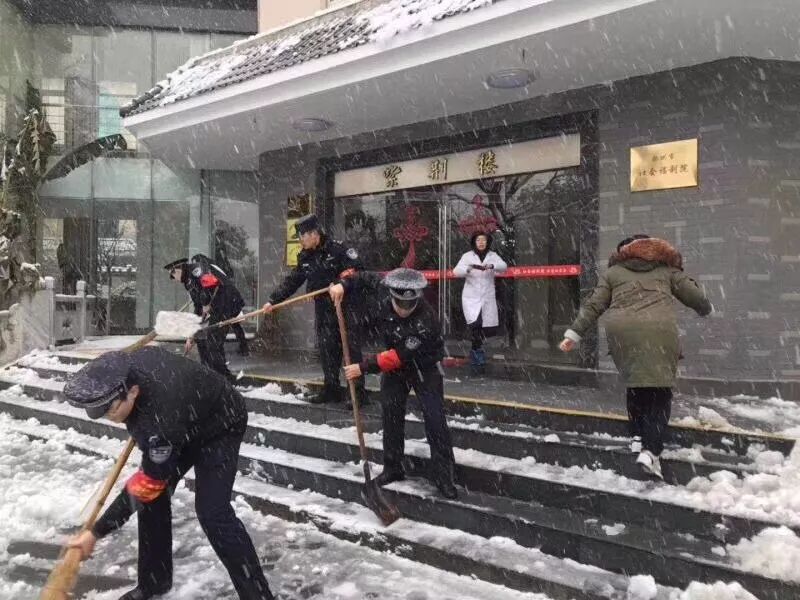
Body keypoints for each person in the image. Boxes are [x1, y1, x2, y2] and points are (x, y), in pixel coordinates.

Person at [64, 347, 274, 600]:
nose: (111, 418)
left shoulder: (160, 421)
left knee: (213, 513)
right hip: (184, 414)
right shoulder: (127, 369)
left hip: (220, 424)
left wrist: (96, 532)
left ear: (133, 391)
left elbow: (147, 483)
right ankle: (153, 583)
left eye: (112, 411)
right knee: (152, 499)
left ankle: (258, 596)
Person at [559, 235, 711, 479]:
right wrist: (706, 308)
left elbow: (594, 305)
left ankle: (638, 436)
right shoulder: (667, 270)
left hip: (622, 333)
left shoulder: (614, 273)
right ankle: (651, 451)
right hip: (658, 330)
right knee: (660, 392)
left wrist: (573, 334)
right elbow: (696, 297)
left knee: (637, 383)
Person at [331, 267, 458, 499]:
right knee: (390, 413)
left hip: (425, 367)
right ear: (392, 295)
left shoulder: (426, 320)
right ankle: (393, 467)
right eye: (400, 303)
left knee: (435, 419)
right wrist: (344, 285)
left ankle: (444, 476)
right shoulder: (383, 292)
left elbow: (398, 356)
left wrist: (362, 367)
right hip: (396, 371)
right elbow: (363, 277)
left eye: (410, 304)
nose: (404, 309)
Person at [262, 214, 366, 405]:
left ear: (314, 234)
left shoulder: (339, 249)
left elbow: (357, 271)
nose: (300, 241)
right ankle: (331, 390)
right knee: (327, 350)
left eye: (302, 236)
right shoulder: (305, 256)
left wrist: (341, 283)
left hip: (347, 308)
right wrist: (273, 300)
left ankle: (358, 393)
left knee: (350, 351)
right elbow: (293, 281)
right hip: (324, 310)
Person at [164, 257, 244, 381]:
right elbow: (198, 307)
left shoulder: (197, 269)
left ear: (178, 269)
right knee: (201, 339)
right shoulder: (188, 282)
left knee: (213, 341)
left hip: (227, 303)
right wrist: (192, 334)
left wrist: (206, 302)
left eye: (172, 275)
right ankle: (208, 373)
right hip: (217, 307)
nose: (173, 279)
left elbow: (210, 282)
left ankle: (223, 378)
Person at [453, 232, 507, 375]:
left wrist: (492, 265)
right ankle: (477, 353)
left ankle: (477, 350)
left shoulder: (492, 255)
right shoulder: (467, 256)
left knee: (485, 328)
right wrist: (468, 268)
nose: (481, 242)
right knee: (475, 325)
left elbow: (503, 266)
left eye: (484, 240)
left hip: (487, 297)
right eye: (478, 240)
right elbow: (456, 271)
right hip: (471, 298)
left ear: (487, 242)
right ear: (474, 242)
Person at [192, 253, 249, 356]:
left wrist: (204, 303)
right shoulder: (213, 266)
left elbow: (210, 287)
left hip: (227, 300)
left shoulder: (206, 269)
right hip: (231, 298)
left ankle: (218, 350)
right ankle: (243, 347)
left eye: (194, 263)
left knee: (224, 325)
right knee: (234, 323)